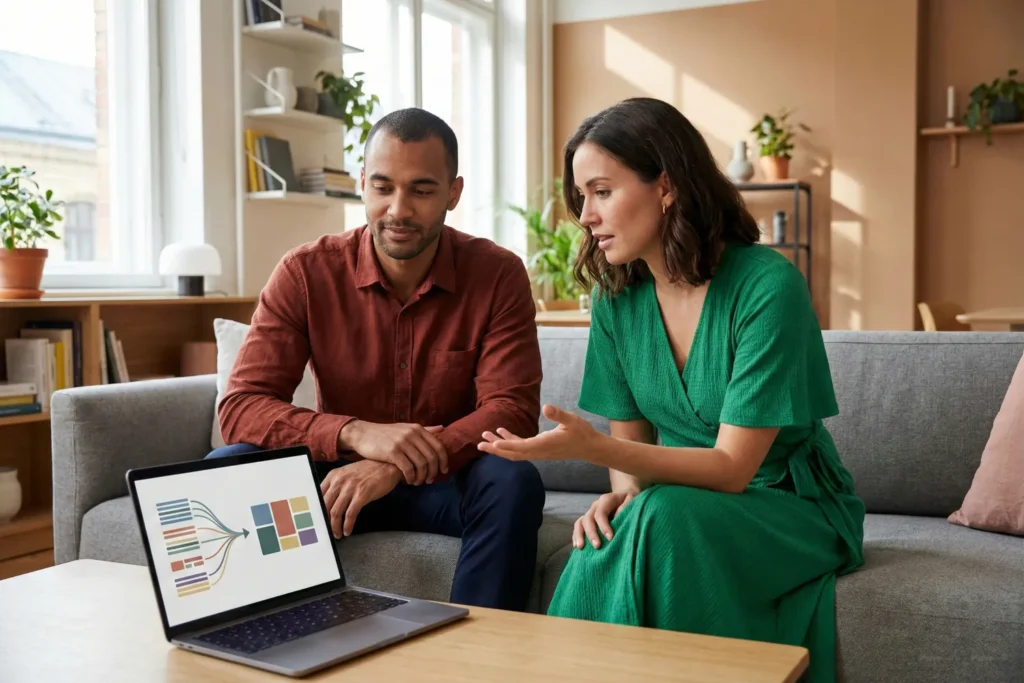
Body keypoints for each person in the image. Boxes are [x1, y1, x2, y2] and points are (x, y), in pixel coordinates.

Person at [477, 97, 865, 681]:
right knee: (605, 536)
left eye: (602, 192)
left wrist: (596, 451)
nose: (585, 215)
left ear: (666, 185)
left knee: (663, 517)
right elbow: (632, 452)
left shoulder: (768, 287)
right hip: (675, 502)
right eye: (581, 196)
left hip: (790, 505)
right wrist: (622, 498)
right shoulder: (615, 298)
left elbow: (734, 469)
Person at [214, 107, 546, 612]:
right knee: (227, 468)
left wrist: (395, 461)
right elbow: (240, 407)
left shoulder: (497, 274)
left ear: (453, 194)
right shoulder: (306, 272)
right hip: (335, 482)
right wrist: (355, 433)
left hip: (446, 483)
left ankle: (481, 662)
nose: (398, 209)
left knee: (512, 480)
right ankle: (262, 645)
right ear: (363, 182)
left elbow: (511, 411)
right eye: (384, 186)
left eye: (422, 190)